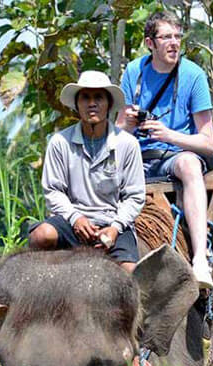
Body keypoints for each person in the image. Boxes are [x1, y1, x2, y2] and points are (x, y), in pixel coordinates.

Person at [116, 10, 213, 289]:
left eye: (177, 37)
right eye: (166, 37)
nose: (173, 43)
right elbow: (118, 131)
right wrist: (131, 123)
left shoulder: (193, 75)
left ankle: (200, 258)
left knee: (189, 164)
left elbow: (208, 143)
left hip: (173, 156)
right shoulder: (134, 72)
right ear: (150, 43)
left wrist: (169, 135)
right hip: (135, 157)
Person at [28, 71, 145, 274]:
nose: (92, 103)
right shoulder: (60, 142)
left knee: (130, 273)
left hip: (112, 222)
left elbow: (135, 196)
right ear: (77, 104)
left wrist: (115, 228)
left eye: (98, 97)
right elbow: (53, 191)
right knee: (42, 235)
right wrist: (75, 218)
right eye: (85, 97)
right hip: (72, 221)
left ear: (108, 104)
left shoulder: (128, 144)